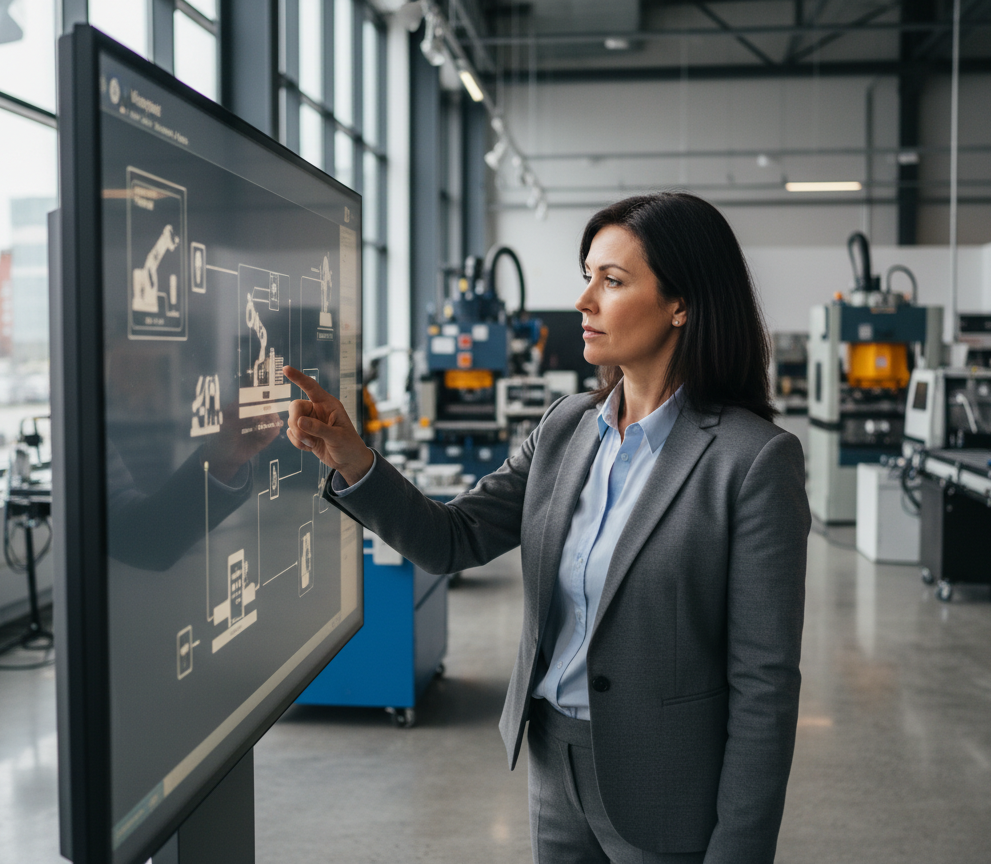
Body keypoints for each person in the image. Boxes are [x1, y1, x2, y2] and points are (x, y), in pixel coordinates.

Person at [283, 191, 810, 864]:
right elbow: (453, 539)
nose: (583, 301)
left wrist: (739, 850)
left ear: (683, 304)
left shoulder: (751, 460)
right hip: (552, 762)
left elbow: (764, 686)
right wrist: (355, 460)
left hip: (668, 788)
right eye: (586, 276)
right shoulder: (566, 428)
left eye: (612, 281)